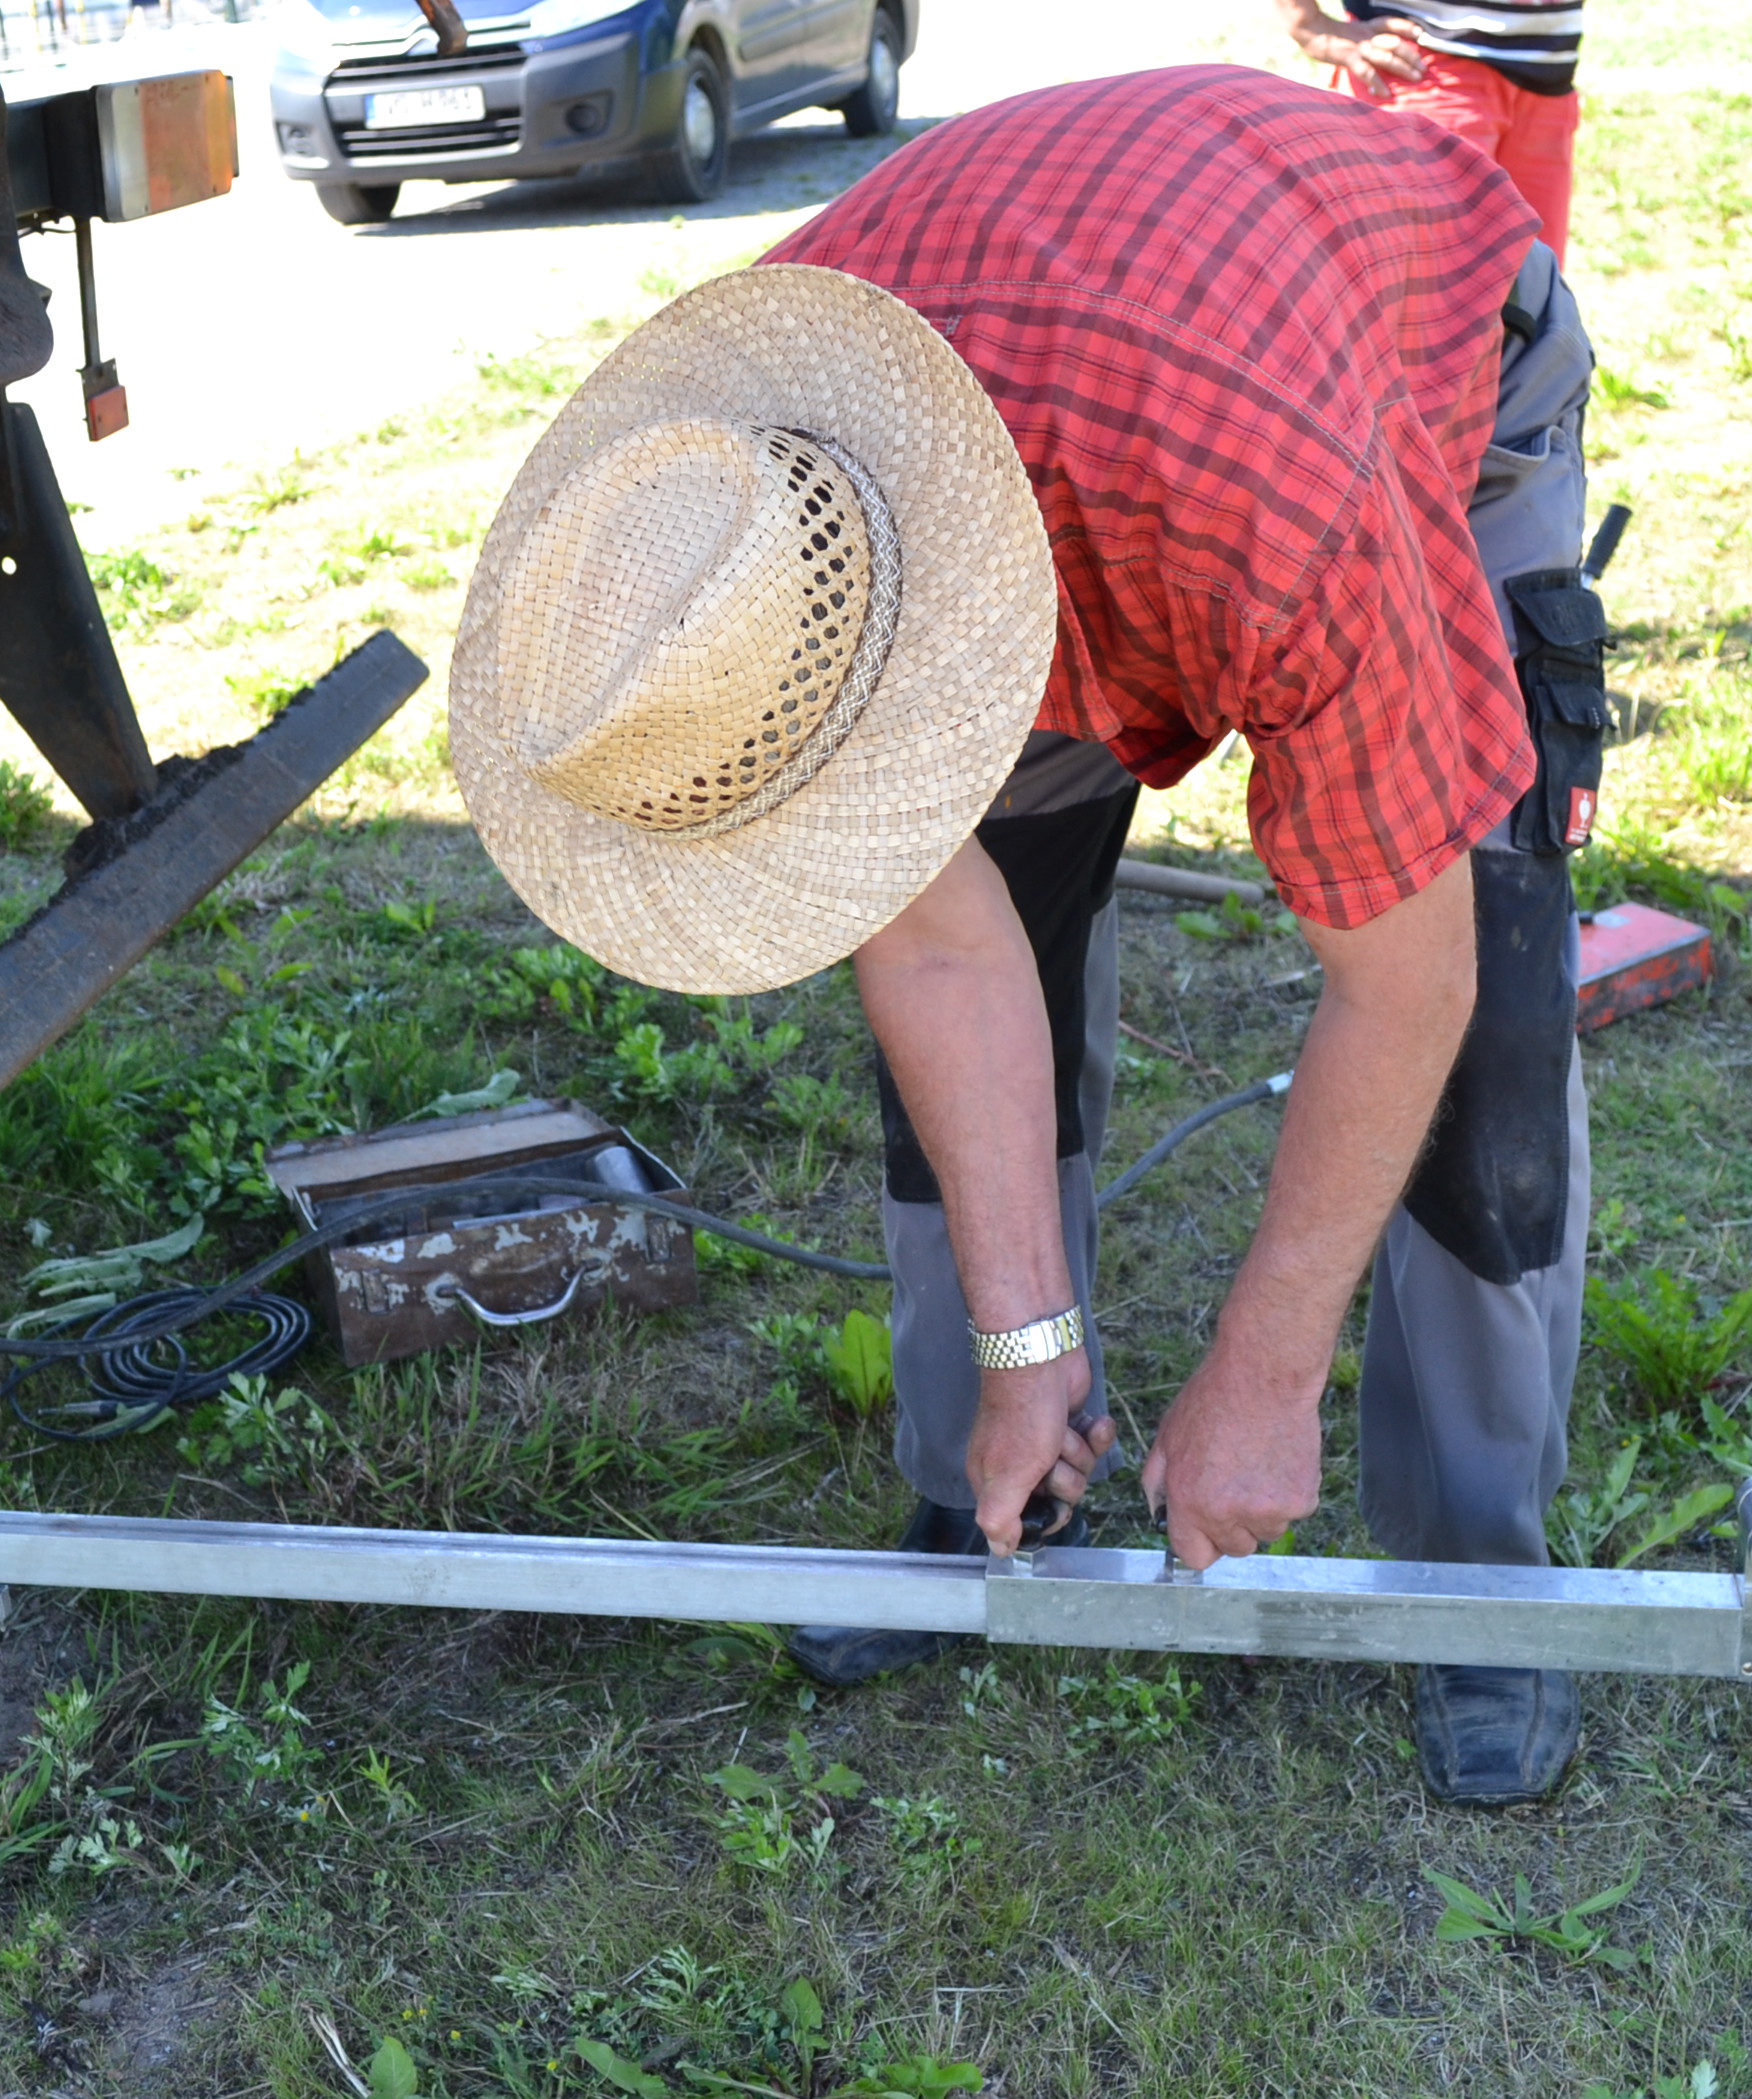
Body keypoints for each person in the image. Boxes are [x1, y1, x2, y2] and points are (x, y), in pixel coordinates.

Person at [444, 64, 1607, 1803]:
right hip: (1081, 411)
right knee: (983, 942)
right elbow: (935, 950)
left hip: (1400, 364)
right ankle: (989, 1478)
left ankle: (1472, 1575)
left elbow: (1406, 978)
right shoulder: (734, 528)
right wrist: (1022, 1345)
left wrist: (1264, 1370)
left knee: (1486, 989)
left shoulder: (1277, 523)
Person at [1282, 0, 1586, 261]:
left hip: (1549, 74)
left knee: (1534, 298)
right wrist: (1307, 24)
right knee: (1420, 293)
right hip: (1421, 67)